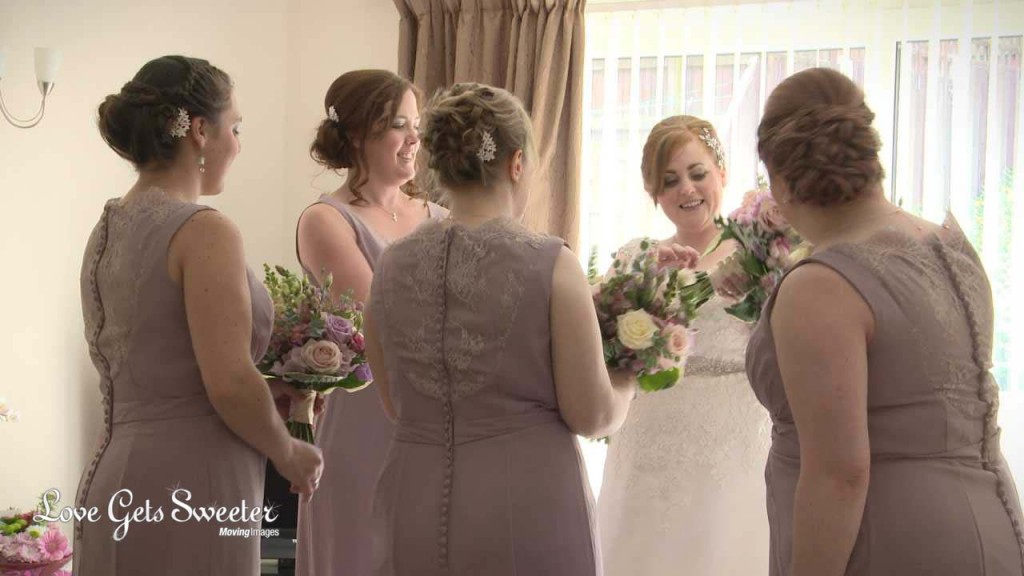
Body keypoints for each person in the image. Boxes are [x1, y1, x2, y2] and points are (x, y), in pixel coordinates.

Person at [748, 66, 1024, 575]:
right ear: (870, 157)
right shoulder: (951, 246)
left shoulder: (820, 285)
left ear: (781, 181)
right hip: (991, 522)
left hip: (887, 538)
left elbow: (840, 475)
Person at [362, 82, 636, 576]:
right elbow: (592, 414)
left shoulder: (390, 266)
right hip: (525, 498)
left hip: (414, 494)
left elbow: (393, 402)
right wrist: (630, 380)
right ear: (515, 163)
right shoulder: (551, 263)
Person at [75, 55, 322, 575]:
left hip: (115, 472)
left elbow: (163, 364)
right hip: (192, 480)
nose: (237, 143)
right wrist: (288, 452)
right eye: (235, 127)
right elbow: (229, 381)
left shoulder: (108, 228)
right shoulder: (205, 229)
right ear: (201, 132)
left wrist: (268, 400)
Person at [597, 115, 771, 575]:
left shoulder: (758, 254)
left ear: (722, 172)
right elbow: (603, 343)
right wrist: (638, 283)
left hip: (733, 434)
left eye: (697, 174)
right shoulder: (638, 257)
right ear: (654, 191)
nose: (686, 189)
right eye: (669, 180)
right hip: (650, 437)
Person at [294, 69, 448, 576]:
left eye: (417, 125)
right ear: (358, 133)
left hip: (442, 415)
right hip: (366, 420)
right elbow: (382, 319)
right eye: (399, 125)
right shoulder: (327, 221)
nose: (414, 140)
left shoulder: (441, 216)